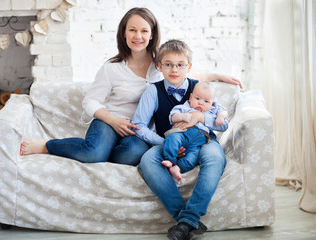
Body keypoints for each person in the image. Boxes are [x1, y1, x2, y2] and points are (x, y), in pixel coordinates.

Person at [20, 7, 241, 168]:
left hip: (138, 130)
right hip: (109, 121)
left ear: (152, 34)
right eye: (132, 30)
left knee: (133, 155)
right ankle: (49, 145)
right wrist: (112, 120)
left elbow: (189, 73)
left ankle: (106, 152)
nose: (138, 36)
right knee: (93, 152)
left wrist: (221, 76)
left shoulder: (161, 63)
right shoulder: (112, 68)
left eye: (144, 31)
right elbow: (90, 101)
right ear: (124, 33)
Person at [132, 39, 231, 240]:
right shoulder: (153, 90)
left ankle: (186, 222)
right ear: (159, 66)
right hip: (170, 139)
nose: (174, 70)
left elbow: (222, 123)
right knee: (147, 161)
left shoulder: (201, 88)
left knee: (215, 158)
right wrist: (165, 143)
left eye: (180, 65)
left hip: (204, 139)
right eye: (168, 64)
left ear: (189, 67)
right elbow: (139, 125)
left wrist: (201, 117)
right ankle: (187, 220)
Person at [162, 81, 229, 182]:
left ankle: (178, 168)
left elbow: (224, 112)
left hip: (200, 140)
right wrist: (182, 116)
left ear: (212, 102)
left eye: (206, 101)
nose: (201, 103)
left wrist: (221, 116)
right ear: (190, 97)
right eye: (197, 98)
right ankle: (169, 159)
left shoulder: (213, 109)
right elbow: (172, 117)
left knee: (193, 156)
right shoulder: (185, 107)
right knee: (172, 138)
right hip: (183, 133)